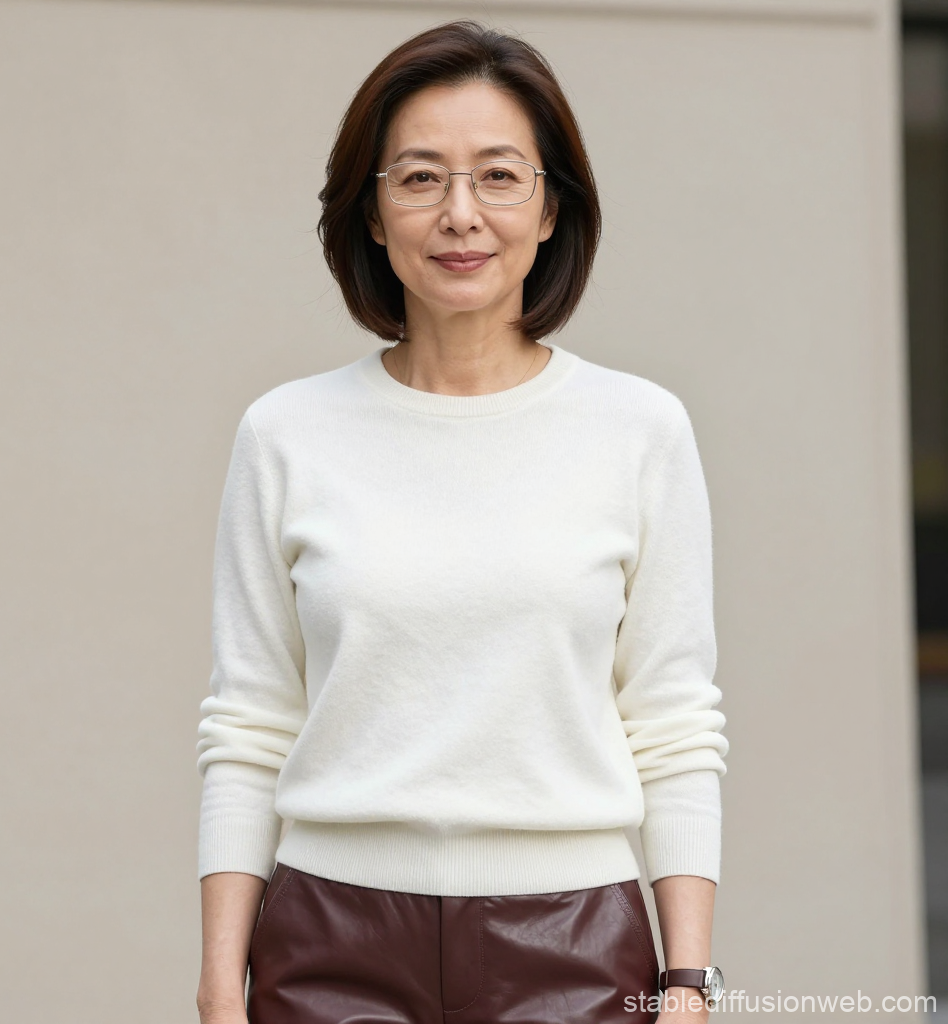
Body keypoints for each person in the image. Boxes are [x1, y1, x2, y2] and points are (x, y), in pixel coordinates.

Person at [194, 19, 729, 1024]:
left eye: (497, 176)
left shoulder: (639, 429)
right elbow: (249, 721)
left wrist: (688, 981)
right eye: (418, 178)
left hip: (574, 944)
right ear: (369, 213)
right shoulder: (286, 434)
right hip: (327, 942)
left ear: (550, 208)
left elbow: (672, 718)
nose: (458, 216)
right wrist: (222, 978)